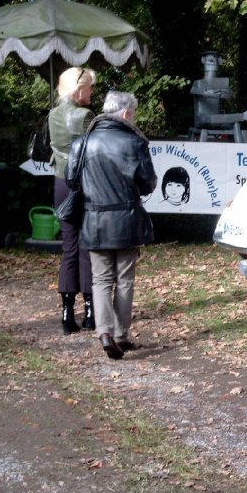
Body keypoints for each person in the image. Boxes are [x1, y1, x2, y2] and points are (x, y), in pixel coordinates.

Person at [67, 91, 158, 360]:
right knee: (125, 279)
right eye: (134, 113)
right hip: (127, 220)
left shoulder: (83, 142)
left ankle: (104, 332)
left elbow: (72, 180)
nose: (135, 117)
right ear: (126, 113)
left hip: (94, 220)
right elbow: (148, 184)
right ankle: (120, 335)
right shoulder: (135, 143)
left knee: (101, 279)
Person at [49, 66, 97, 335]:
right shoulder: (85, 116)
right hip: (83, 184)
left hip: (60, 183)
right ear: (79, 90)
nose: (92, 92)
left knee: (69, 247)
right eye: (89, 88)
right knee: (86, 245)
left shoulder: (52, 114)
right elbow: (95, 151)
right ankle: (90, 311)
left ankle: (67, 313)